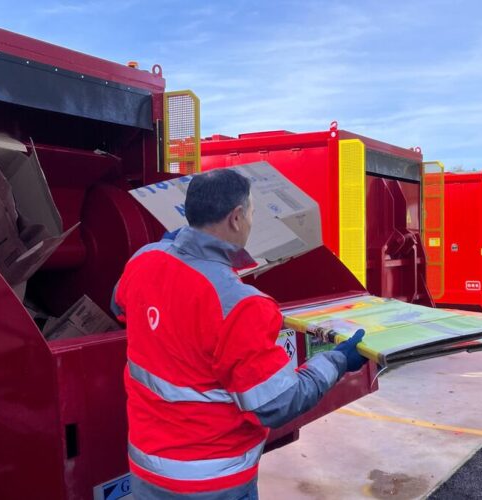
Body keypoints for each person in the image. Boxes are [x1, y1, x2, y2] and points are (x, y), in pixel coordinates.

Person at [112, 169, 368, 498]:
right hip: (214, 481)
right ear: (236, 218)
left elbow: (119, 306)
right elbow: (278, 403)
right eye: (251, 212)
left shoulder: (144, 260)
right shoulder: (241, 305)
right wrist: (335, 361)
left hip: (146, 471)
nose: (250, 221)